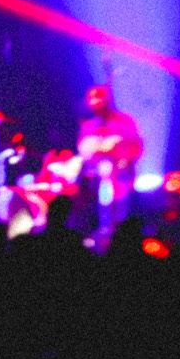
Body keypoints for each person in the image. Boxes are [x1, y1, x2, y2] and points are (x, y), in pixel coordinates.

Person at [74, 83, 143, 251]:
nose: (95, 101)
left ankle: (120, 232)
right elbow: (84, 150)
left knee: (121, 203)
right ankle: (101, 232)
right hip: (98, 176)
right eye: (92, 98)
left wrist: (120, 152)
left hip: (121, 172)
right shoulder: (89, 126)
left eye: (99, 97)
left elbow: (136, 144)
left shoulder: (124, 121)